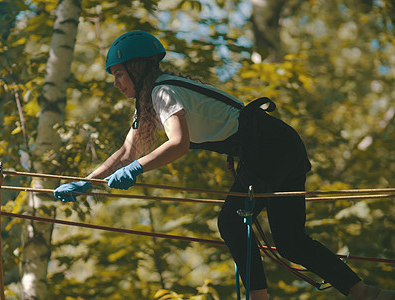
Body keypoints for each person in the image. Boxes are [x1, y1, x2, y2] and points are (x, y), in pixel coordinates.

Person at [53, 30, 395, 300]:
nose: (116, 83)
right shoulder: (151, 102)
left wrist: (137, 170)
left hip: (268, 148)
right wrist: (89, 182)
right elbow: (126, 151)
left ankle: (259, 297)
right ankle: (364, 293)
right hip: (279, 146)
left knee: (231, 223)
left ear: (137, 69)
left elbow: (178, 144)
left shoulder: (163, 93)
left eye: (119, 74)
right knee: (290, 242)